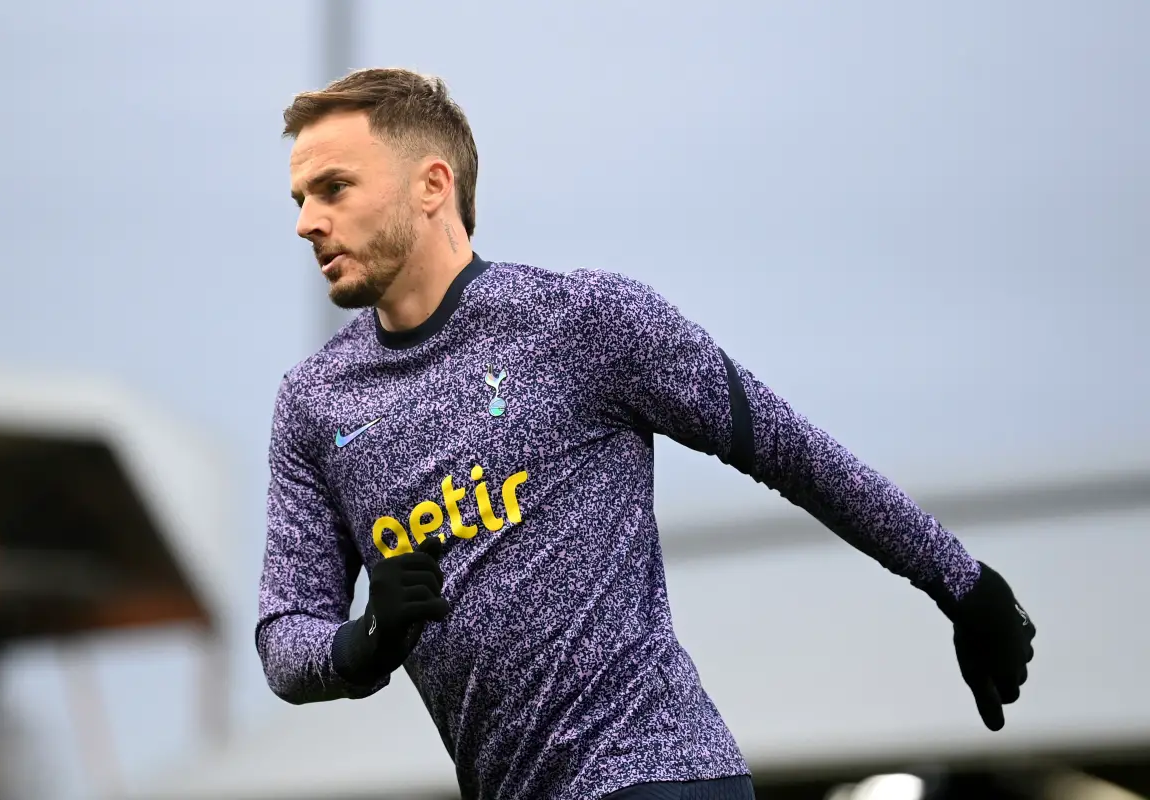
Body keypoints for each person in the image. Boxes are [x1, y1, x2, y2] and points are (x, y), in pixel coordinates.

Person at [256, 67, 1036, 800]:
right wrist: (362, 643)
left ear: (432, 185)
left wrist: (960, 582)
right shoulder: (313, 402)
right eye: (298, 197)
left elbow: (787, 448)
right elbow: (285, 638)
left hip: (658, 769)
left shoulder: (586, 321)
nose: (306, 223)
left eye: (333, 188)